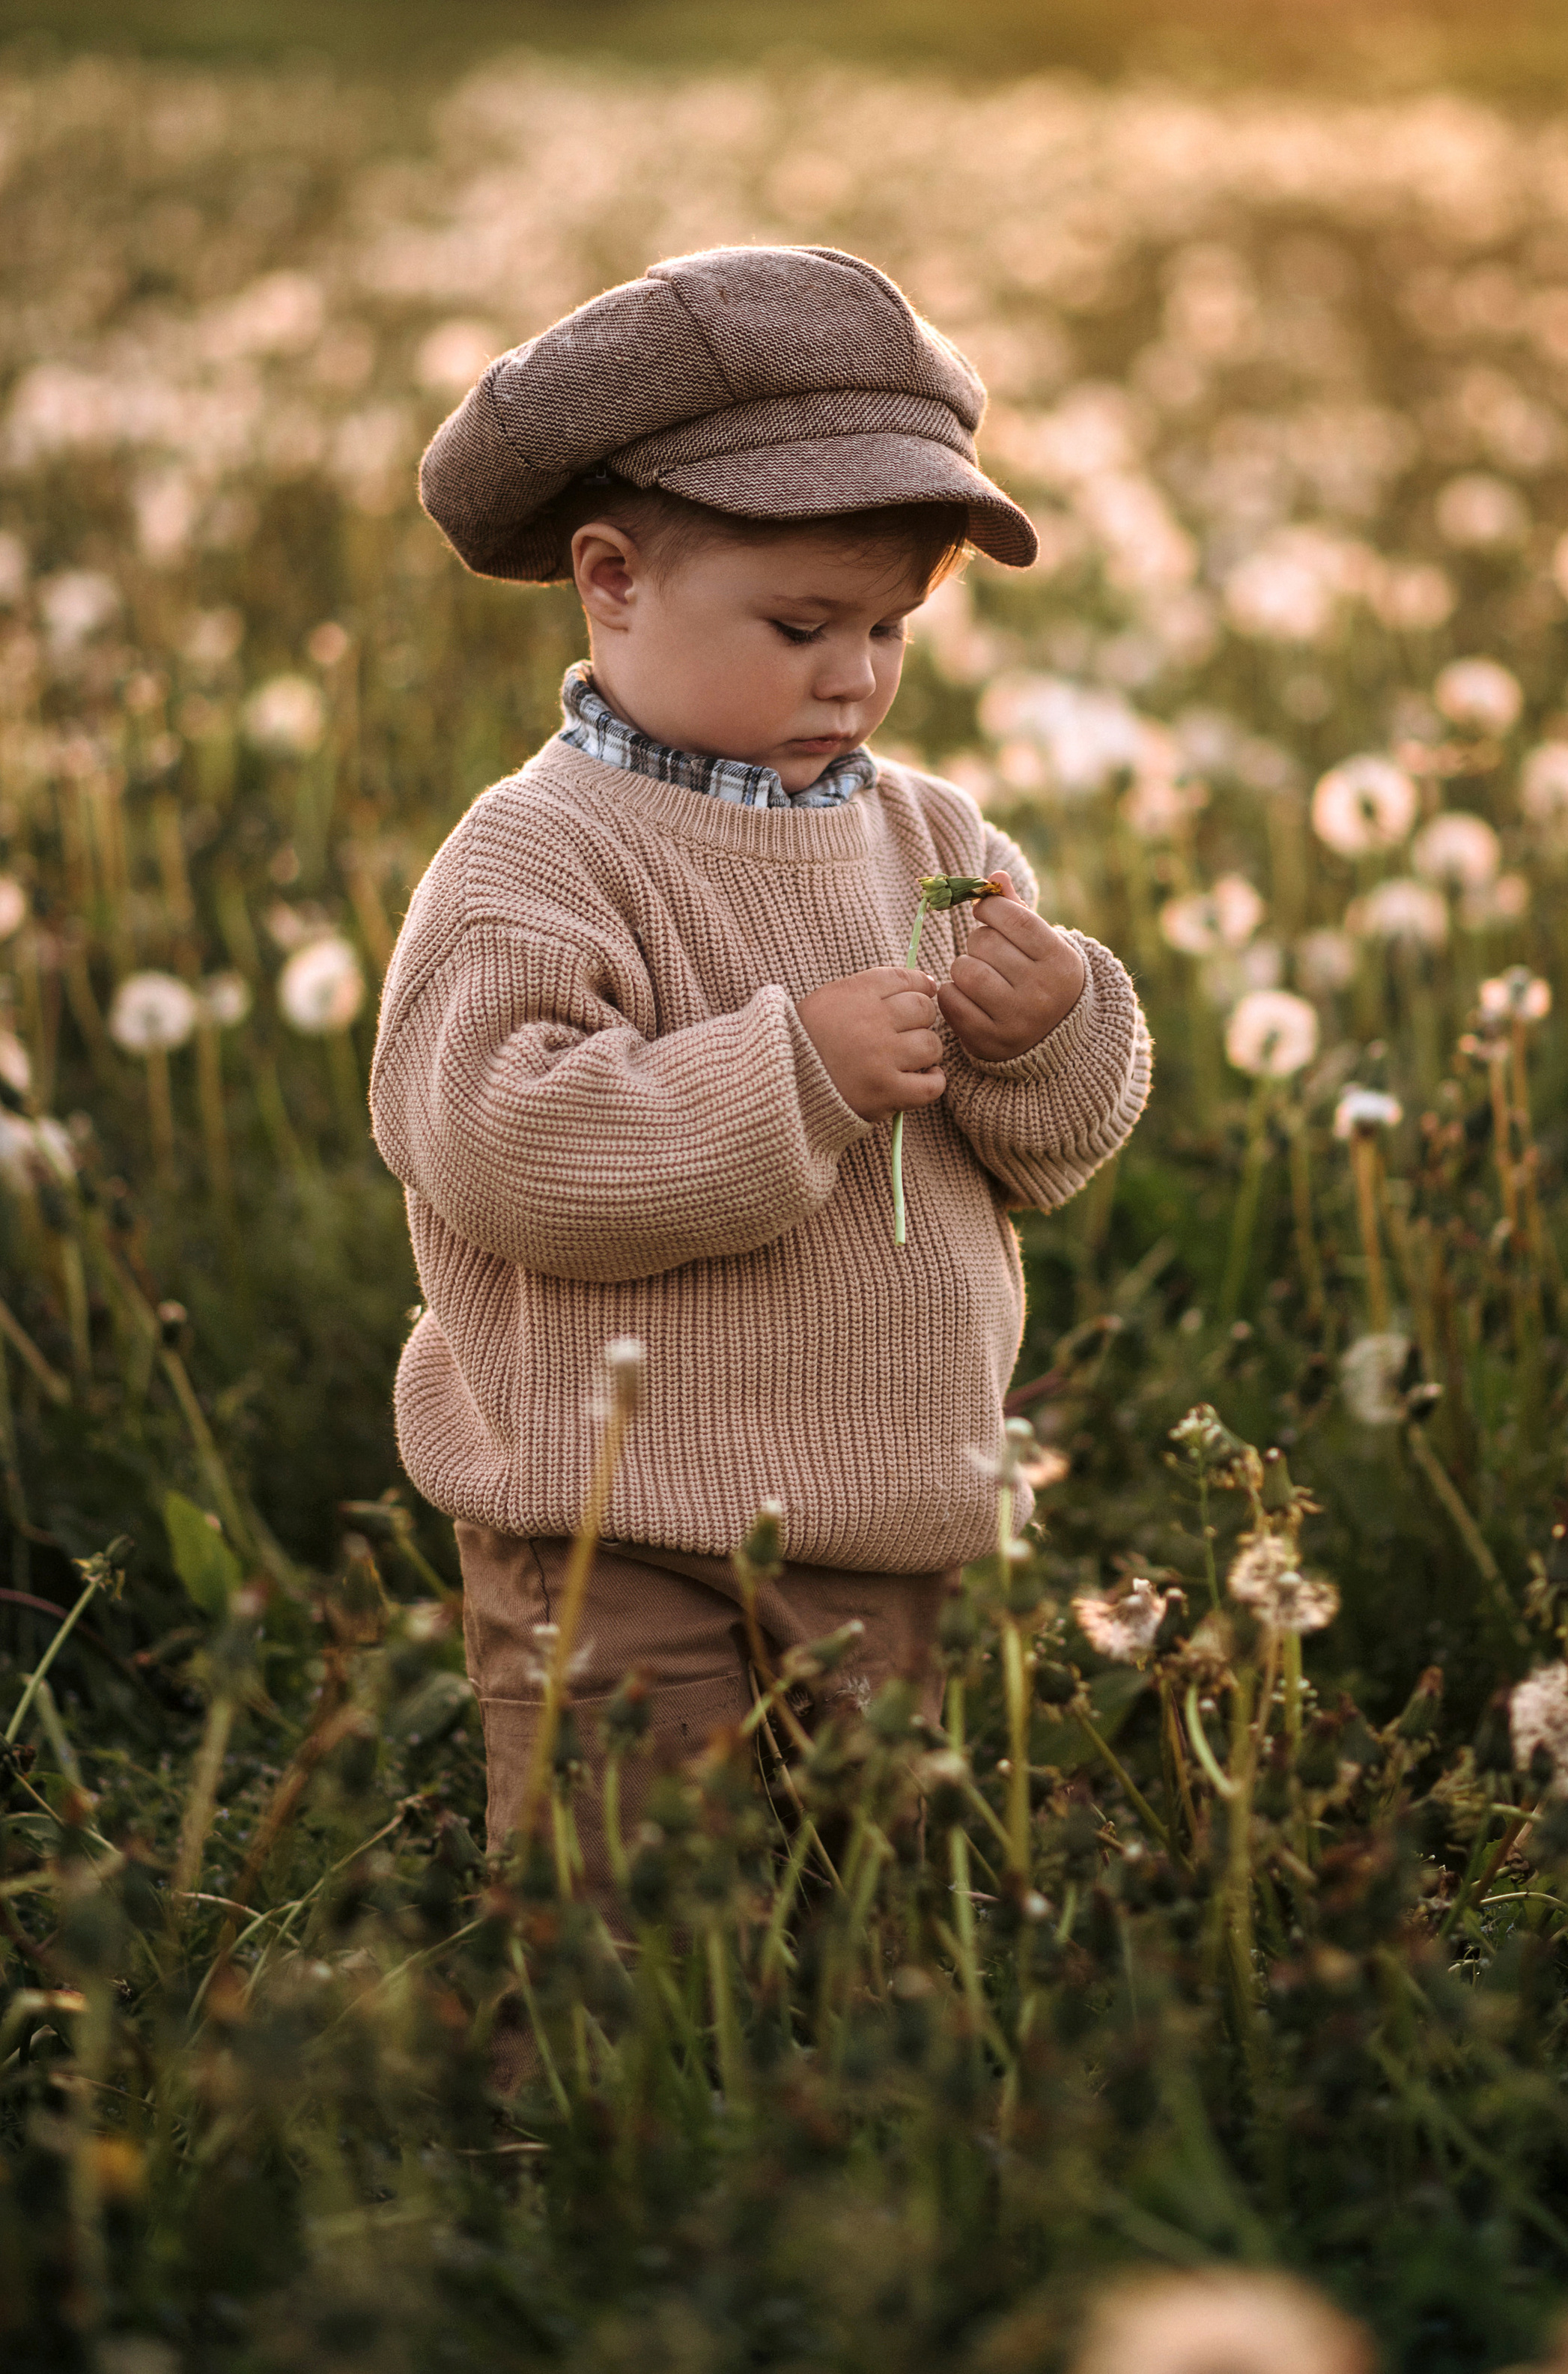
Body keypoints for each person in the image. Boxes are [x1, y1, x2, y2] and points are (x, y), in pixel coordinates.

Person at [369, 243, 1152, 1899]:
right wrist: (793, 1073)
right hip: (618, 1520)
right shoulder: (535, 857)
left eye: (887, 626)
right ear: (611, 579)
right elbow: (500, 1143)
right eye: (801, 624)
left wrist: (1052, 1031)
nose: (852, 674)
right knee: (634, 1914)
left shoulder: (935, 838)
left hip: (894, 1514)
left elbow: (1047, 1152)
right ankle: (595, 2070)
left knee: (874, 1915)